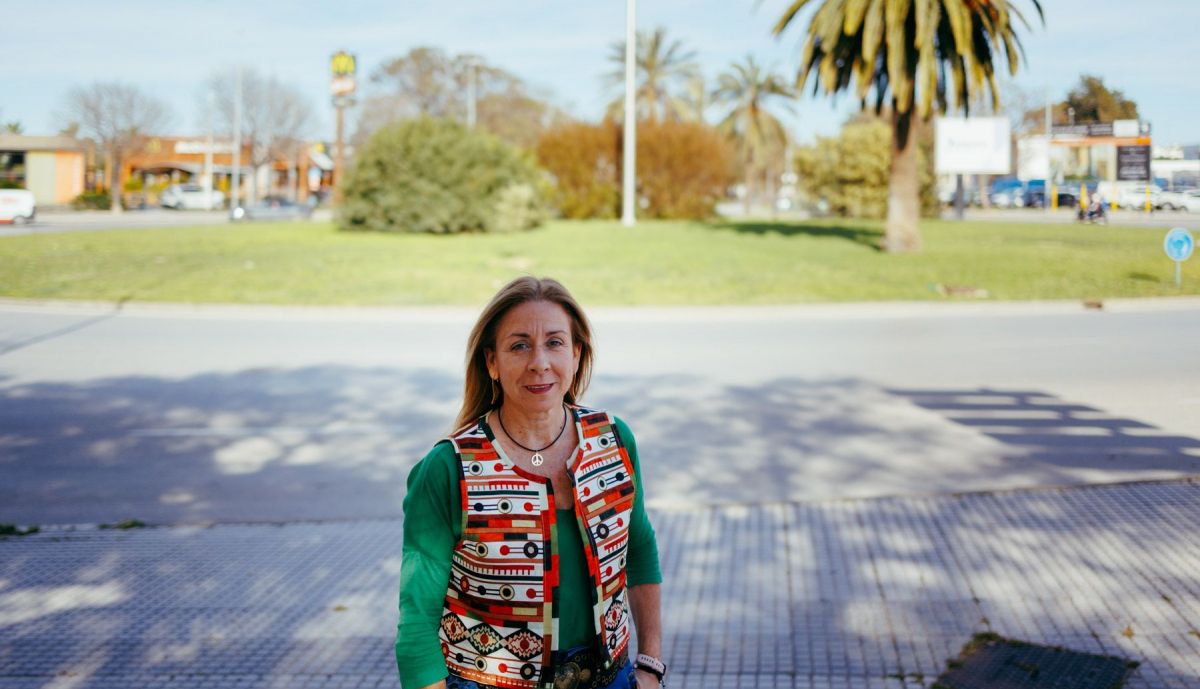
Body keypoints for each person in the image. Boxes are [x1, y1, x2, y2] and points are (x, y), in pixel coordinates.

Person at [395, 276, 665, 689]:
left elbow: (639, 548)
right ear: (492, 362)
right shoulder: (447, 468)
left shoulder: (614, 439)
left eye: (554, 343)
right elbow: (416, 623)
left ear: (576, 354)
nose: (539, 362)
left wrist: (649, 664)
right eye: (519, 345)